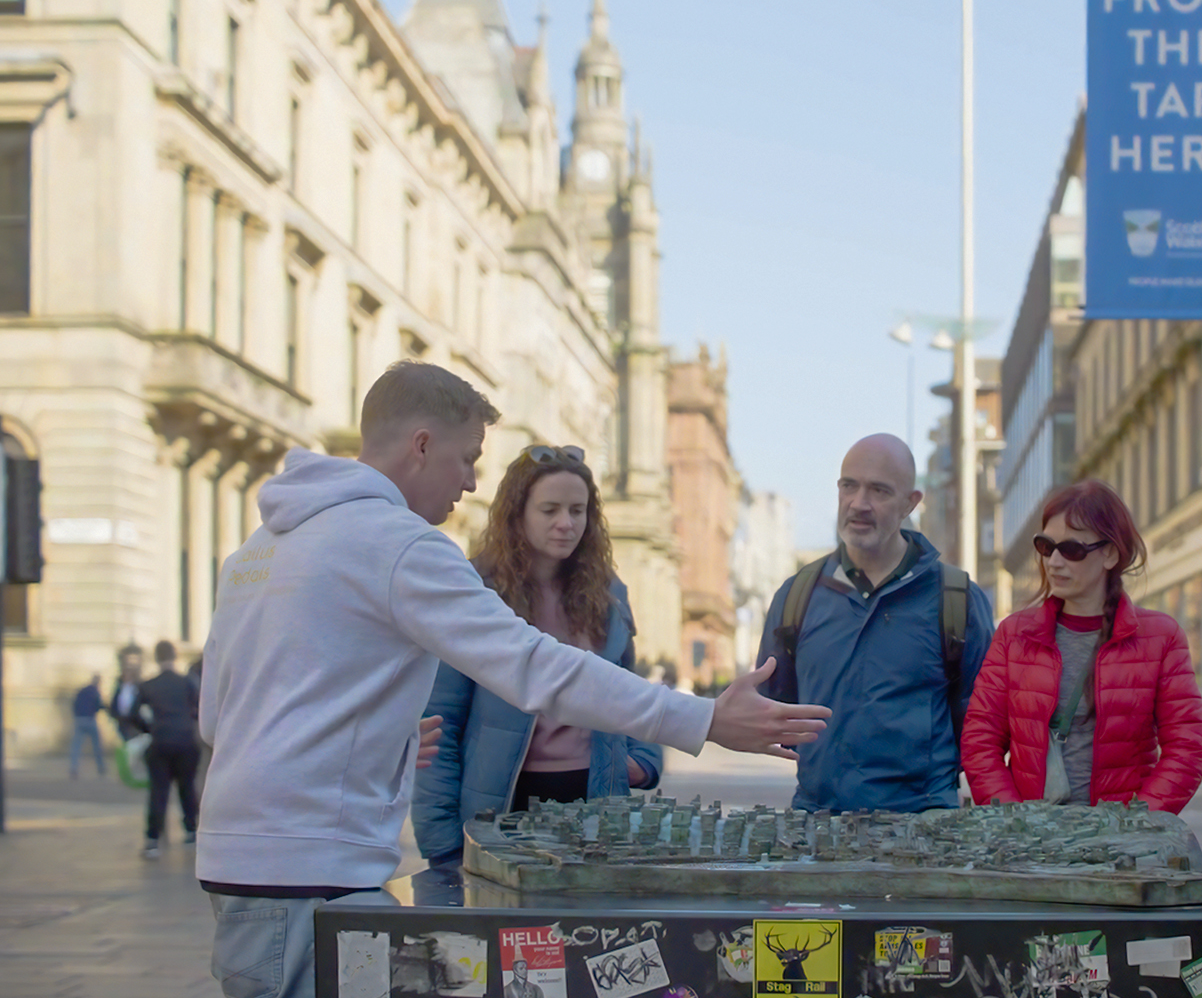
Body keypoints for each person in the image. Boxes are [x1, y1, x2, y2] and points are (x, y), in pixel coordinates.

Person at [199, 360, 829, 998]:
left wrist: (375, 739)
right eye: (467, 458)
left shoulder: (256, 550)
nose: (472, 483)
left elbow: (220, 717)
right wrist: (705, 719)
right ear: (422, 445)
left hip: (249, 865)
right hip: (309, 875)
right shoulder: (399, 544)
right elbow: (532, 664)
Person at [412, 444, 663, 868]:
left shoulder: (608, 595)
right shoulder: (474, 591)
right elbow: (440, 722)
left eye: (577, 510)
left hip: (596, 804)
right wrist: (442, 846)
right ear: (518, 513)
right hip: (506, 805)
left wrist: (640, 763)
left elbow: (631, 690)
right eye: (549, 510)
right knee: (519, 933)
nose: (566, 524)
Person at [757, 433, 993, 813]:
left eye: (879, 491)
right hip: (817, 827)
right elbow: (774, 709)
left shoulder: (957, 600)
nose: (859, 504)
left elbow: (984, 724)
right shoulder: (797, 596)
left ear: (910, 503)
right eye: (849, 486)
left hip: (923, 830)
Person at [961, 480, 1202, 812]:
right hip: (1031, 846)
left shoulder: (1161, 638)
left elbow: (1187, 748)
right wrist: (1013, 820)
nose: (1055, 562)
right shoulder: (1013, 635)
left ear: (1109, 554)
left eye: (1072, 550)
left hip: (1118, 850)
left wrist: (1135, 826)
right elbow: (980, 742)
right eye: (1046, 546)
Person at [136, 639, 202, 859]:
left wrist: (148, 729)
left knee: (159, 790)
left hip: (161, 739)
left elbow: (132, 713)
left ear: (156, 658)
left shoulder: (148, 685)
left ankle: (153, 839)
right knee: (187, 787)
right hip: (185, 740)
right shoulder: (187, 682)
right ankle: (191, 830)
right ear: (175, 657)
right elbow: (199, 707)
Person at [69, 674, 107, 779]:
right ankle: (101, 767)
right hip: (90, 719)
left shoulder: (82, 691)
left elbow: (74, 703)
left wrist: (76, 715)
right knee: (96, 745)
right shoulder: (95, 691)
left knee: (76, 746)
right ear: (98, 682)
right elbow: (98, 705)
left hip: (79, 719)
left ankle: (74, 768)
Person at [107, 642, 144, 742]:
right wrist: (114, 714)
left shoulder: (138, 687)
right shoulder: (120, 686)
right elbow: (115, 701)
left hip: (133, 721)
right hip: (122, 721)